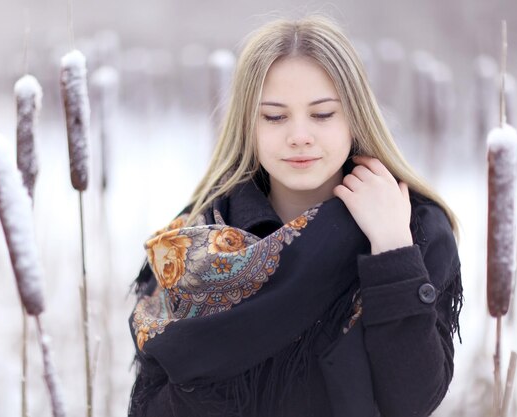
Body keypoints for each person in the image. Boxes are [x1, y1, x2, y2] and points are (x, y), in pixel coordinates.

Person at [128, 15, 462, 417]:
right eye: (275, 116)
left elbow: (412, 400)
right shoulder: (195, 244)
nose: (300, 135)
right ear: (247, 125)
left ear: (354, 117)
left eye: (322, 114)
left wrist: (392, 252)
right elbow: (150, 405)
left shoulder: (415, 228)